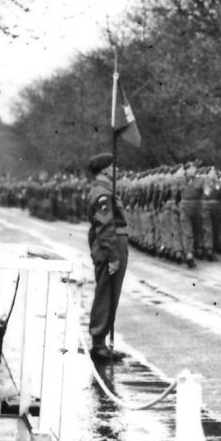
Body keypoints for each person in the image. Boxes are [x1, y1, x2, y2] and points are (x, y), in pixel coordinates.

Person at [86, 153, 129, 363]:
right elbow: (105, 226)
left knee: (109, 293)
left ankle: (100, 341)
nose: (116, 169)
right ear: (104, 169)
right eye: (113, 166)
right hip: (110, 246)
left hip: (110, 245)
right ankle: (99, 343)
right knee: (106, 294)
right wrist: (113, 256)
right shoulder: (103, 193)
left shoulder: (103, 190)